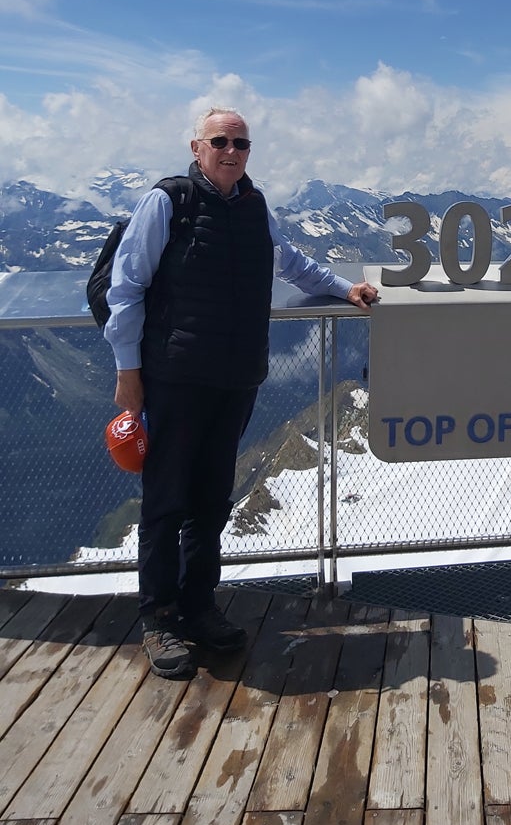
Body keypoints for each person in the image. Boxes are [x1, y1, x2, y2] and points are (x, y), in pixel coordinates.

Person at [105, 107, 379, 678]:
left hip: (235, 378)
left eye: (241, 143)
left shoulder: (254, 207)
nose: (232, 151)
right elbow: (126, 285)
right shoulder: (167, 202)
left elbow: (292, 263)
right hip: (175, 377)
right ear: (197, 147)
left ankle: (200, 606)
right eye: (221, 141)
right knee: (165, 499)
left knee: (211, 498)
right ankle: (159, 618)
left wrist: (342, 288)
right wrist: (127, 369)